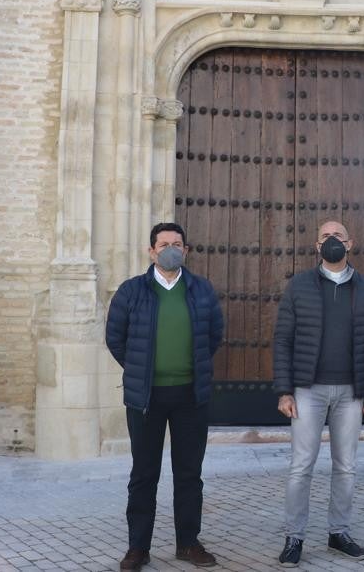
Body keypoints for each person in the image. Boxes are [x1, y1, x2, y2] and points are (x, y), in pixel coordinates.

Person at [105, 223, 225, 571]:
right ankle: (138, 548)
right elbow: (116, 337)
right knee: (144, 474)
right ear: (151, 251)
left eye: (177, 243)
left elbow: (214, 334)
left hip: (191, 395)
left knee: (189, 473)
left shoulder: (201, 290)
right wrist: (142, 368)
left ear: (186, 250)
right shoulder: (131, 292)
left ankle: (188, 543)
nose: (170, 248)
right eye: (163, 244)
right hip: (146, 398)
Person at [273, 220, 364, 567]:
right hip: (308, 390)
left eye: (338, 236)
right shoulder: (299, 286)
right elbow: (283, 340)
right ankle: (294, 537)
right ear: (316, 245)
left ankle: (339, 532)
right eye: (326, 236)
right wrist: (284, 390)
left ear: (349, 243)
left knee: (346, 466)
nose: (332, 241)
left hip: (352, 392)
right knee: (301, 465)